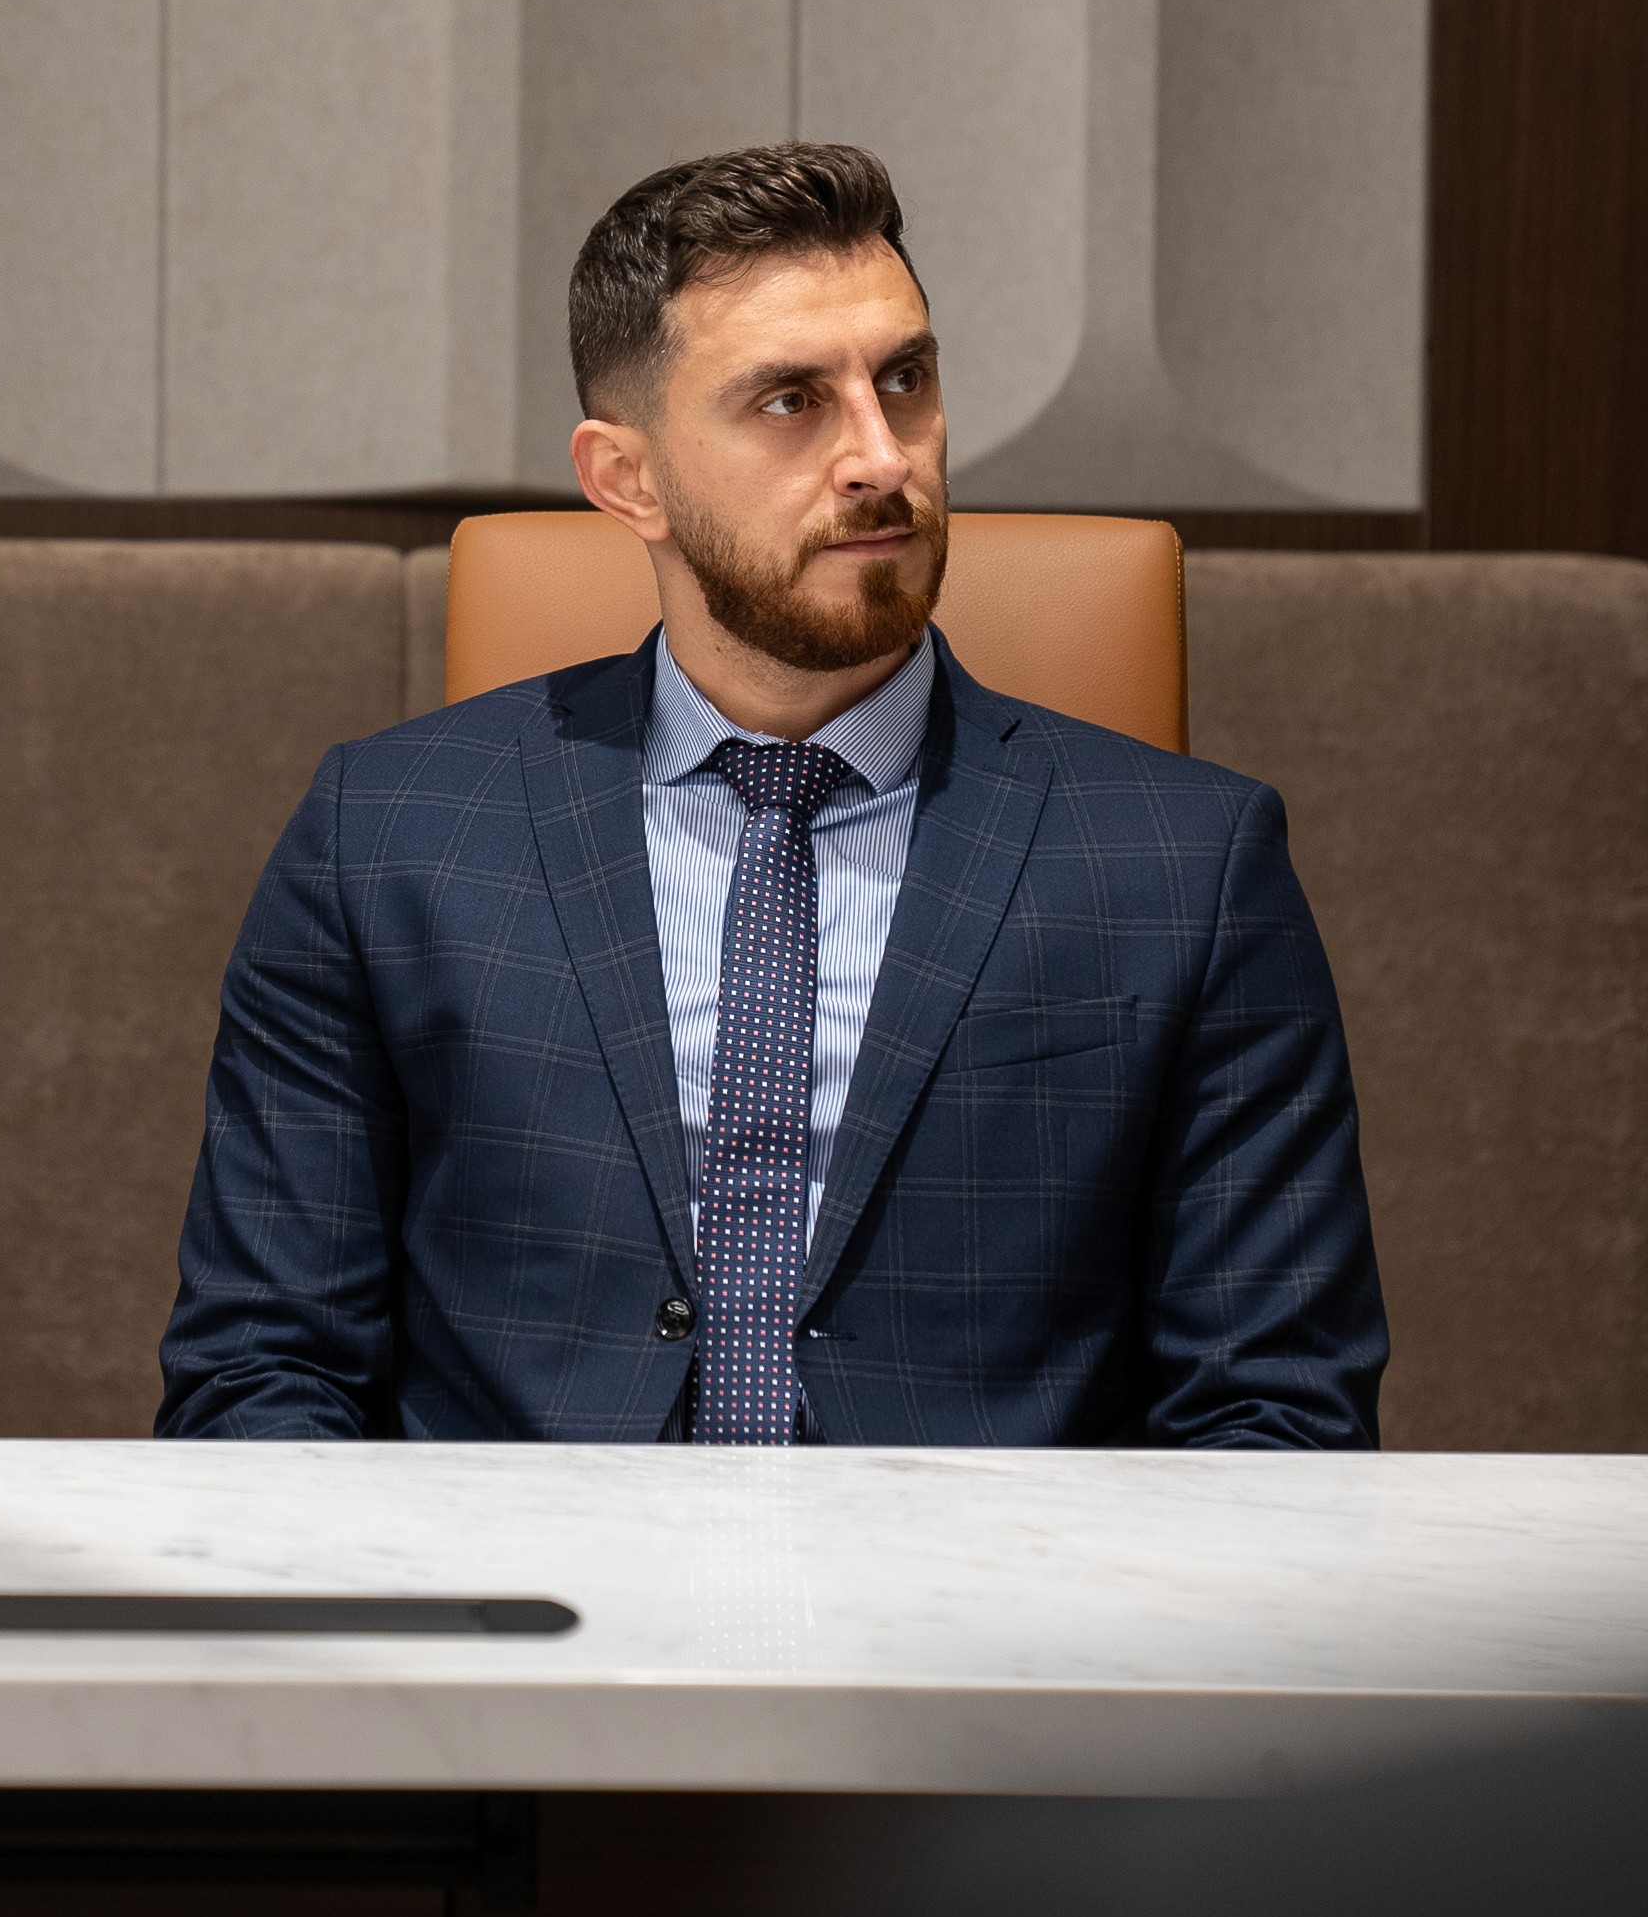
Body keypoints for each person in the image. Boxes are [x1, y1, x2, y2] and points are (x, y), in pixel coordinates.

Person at [158, 144, 1387, 1445]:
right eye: (792, 401)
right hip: (530, 1617)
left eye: (903, 381)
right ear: (627, 478)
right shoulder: (384, 841)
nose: (879, 456)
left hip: (980, 1628)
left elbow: (1274, 1418)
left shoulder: (1188, 867)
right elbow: (262, 1376)